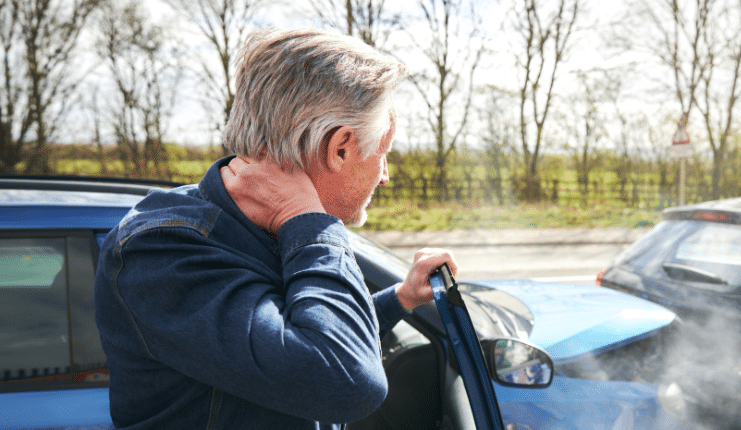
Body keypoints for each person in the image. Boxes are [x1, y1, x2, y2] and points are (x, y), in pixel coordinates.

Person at [94, 28, 457, 430]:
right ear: (339, 148)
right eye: (382, 153)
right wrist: (311, 223)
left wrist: (400, 299)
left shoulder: (263, 226)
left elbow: (292, 339)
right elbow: (343, 379)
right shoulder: (162, 251)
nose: (385, 176)